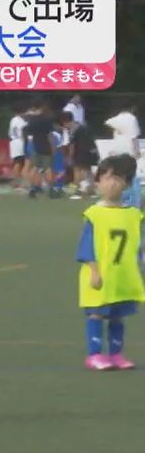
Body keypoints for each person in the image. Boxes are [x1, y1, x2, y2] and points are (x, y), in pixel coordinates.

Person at [78, 155, 144, 371]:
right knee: (97, 314)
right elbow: (86, 247)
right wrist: (94, 271)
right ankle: (94, 355)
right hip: (100, 276)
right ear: (97, 182)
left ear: (126, 182)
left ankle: (116, 355)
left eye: (116, 178)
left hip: (122, 276)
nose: (111, 183)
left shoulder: (133, 214)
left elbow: (138, 244)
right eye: (105, 178)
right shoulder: (94, 214)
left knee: (118, 317)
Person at [23, 102, 59, 198]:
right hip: (46, 146)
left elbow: (27, 133)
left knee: (34, 168)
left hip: (36, 146)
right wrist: (53, 148)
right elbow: (50, 136)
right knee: (48, 168)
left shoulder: (32, 121)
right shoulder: (47, 120)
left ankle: (32, 188)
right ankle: (51, 189)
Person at [64, 110, 99, 200]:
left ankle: (78, 191)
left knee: (77, 170)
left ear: (65, 122)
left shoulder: (73, 129)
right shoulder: (83, 125)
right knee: (88, 171)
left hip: (81, 152)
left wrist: (70, 157)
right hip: (92, 150)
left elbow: (72, 145)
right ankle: (92, 191)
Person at [8, 105, 29, 192]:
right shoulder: (19, 121)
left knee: (18, 162)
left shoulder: (13, 120)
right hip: (20, 142)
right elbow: (22, 133)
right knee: (19, 163)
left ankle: (15, 183)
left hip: (14, 141)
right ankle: (16, 183)